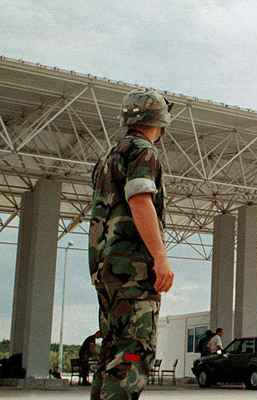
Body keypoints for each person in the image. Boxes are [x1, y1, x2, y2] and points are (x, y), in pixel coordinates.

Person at [89, 89, 175, 400]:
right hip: (133, 271)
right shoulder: (143, 151)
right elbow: (140, 201)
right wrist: (160, 257)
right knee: (133, 353)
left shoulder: (107, 157)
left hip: (106, 270)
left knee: (112, 351)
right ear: (160, 121)